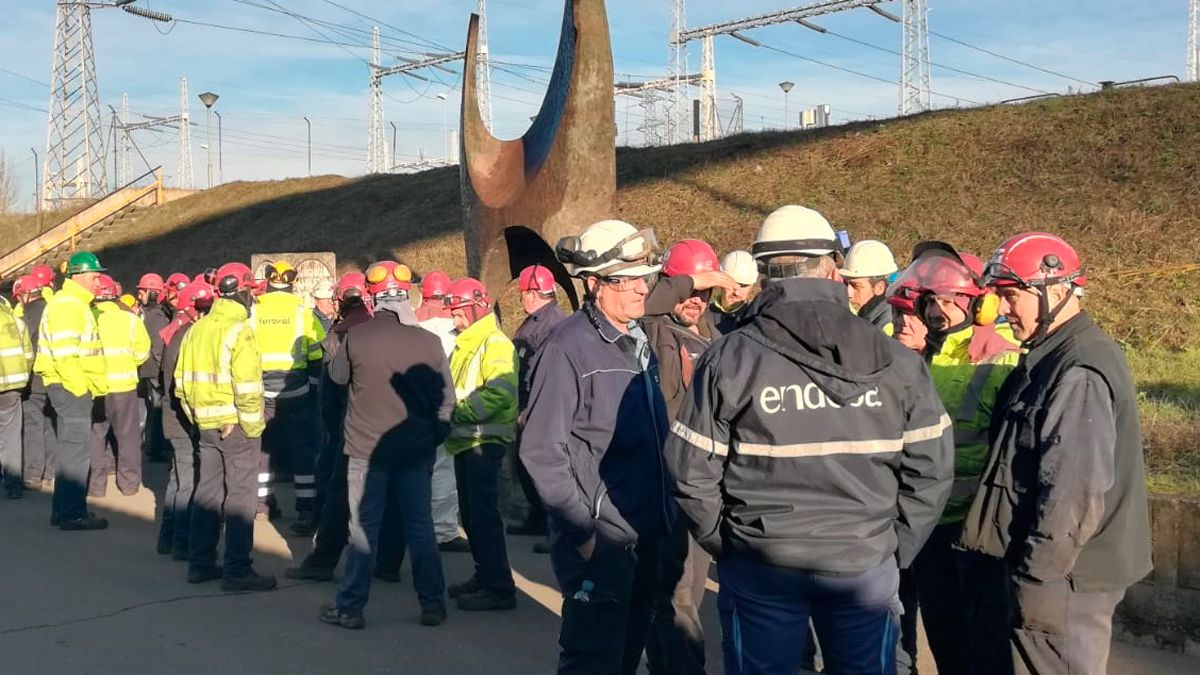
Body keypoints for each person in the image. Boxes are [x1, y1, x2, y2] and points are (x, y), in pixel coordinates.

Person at [663, 205, 953, 675]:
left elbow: (689, 467)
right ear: (831, 268)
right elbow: (933, 467)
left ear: (763, 272)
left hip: (761, 563)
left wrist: (730, 543)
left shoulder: (729, 357)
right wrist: (893, 545)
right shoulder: (897, 360)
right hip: (865, 563)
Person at [960, 232, 1152, 675]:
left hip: (1063, 577)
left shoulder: (1077, 369)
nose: (1004, 310)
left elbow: (1074, 490)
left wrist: (1035, 576)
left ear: (1058, 290)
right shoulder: (1054, 354)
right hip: (1061, 572)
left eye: (1012, 296)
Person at [523, 219, 673, 675]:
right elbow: (541, 451)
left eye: (643, 278)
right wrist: (584, 533)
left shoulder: (638, 339)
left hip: (645, 532)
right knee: (592, 661)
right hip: (601, 541)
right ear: (593, 284)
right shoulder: (568, 348)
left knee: (626, 657)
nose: (639, 290)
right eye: (624, 281)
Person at [890, 243, 1020, 675]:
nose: (936, 311)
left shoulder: (999, 354)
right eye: (932, 300)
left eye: (949, 300)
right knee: (945, 638)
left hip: (980, 530)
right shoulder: (921, 355)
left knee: (985, 646)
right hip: (931, 521)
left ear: (979, 305)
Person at [318, 260, 455, 630]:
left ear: (371, 297)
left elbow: (337, 377)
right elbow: (447, 402)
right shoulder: (429, 341)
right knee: (420, 528)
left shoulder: (357, 338)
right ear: (407, 295)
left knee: (363, 529)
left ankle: (350, 607)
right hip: (415, 450)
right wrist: (432, 437)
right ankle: (433, 604)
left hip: (365, 449)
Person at [643, 238, 721, 675]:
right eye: (688, 290)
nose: (695, 300)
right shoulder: (654, 327)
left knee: (686, 589)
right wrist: (689, 280)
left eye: (704, 294)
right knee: (678, 593)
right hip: (667, 479)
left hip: (704, 483)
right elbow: (650, 305)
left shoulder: (718, 337)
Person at [175, 262, 276, 591]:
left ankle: (200, 562)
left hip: (205, 424)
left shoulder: (197, 328)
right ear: (245, 292)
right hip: (236, 427)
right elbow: (247, 385)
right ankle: (237, 569)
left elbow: (180, 383)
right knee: (240, 498)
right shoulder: (239, 331)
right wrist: (252, 425)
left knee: (207, 492)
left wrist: (198, 416)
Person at [444, 277, 519, 611]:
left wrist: (457, 414)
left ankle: (499, 586)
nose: (454, 319)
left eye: (458, 312)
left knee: (484, 518)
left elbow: (501, 392)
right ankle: (485, 573)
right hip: (467, 442)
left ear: (475, 308)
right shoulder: (468, 342)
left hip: (482, 442)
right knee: (473, 517)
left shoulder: (494, 343)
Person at [34, 251, 109, 531]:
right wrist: (83, 389)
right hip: (70, 388)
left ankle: (63, 510)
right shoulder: (69, 306)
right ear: (77, 277)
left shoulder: (71, 304)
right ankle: (73, 513)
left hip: (66, 386)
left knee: (70, 451)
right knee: (77, 452)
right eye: (94, 277)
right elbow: (66, 357)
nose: (99, 282)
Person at [252, 260, 326, 534]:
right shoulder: (302, 313)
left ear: (268, 282)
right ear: (292, 283)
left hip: (262, 392)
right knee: (303, 450)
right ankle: (306, 508)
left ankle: (262, 504)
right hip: (296, 390)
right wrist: (314, 387)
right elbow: (317, 354)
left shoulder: (253, 311)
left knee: (263, 450)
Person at [508, 264, 566, 550]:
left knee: (542, 467)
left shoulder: (551, 324)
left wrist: (530, 409)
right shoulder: (536, 320)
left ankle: (554, 528)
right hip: (527, 401)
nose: (522, 299)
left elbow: (544, 371)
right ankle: (537, 518)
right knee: (523, 464)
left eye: (523, 294)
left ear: (531, 293)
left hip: (537, 404)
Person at [156, 281, 212, 559]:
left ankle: (167, 538)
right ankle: (181, 542)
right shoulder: (190, 334)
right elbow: (182, 386)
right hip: (182, 419)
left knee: (178, 480)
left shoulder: (176, 333)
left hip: (172, 416)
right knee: (187, 481)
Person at [414, 269, 469, 553]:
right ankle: (444, 530)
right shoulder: (455, 330)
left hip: (414, 412)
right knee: (444, 471)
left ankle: (416, 525)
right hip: (447, 410)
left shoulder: (412, 324)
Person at [89, 274, 151, 497]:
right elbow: (143, 352)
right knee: (128, 436)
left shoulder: (89, 318)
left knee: (96, 436)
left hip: (96, 388)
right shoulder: (131, 320)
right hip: (124, 387)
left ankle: (96, 486)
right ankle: (129, 484)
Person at [15, 274, 57, 491]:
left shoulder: (28, 316)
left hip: (35, 381)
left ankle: (33, 474)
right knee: (51, 425)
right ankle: (51, 473)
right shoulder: (53, 310)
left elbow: (25, 350)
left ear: (26, 294)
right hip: (55, 377)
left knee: (33, 427)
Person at [0, 282, 33, 499]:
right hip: (12, 386)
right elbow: (28, 355)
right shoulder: (15, 320)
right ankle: (13, 484)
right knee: (11, 436)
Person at [137, 273, 171, 462]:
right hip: (154, 371)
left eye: (143, 291)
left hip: (150, 370)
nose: (139, 294)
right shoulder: (156, 315)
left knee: (154, 411)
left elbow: (156, 347)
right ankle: (155, 448)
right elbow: (158, 348)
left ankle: (152, 446)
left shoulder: (151, 315)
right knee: (157, 411)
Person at [842, 240, 899, 335]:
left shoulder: (887, 325)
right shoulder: (870, 315)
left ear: (879, 288)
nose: (848, 293)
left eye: (856, 286)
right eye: (846, 284)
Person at [710, 250, 758, 335]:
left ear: (752, 286)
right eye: (731, 283)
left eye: (743, 286)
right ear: (720, 281)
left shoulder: (756, 321)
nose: (736, 292)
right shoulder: (701, 315)